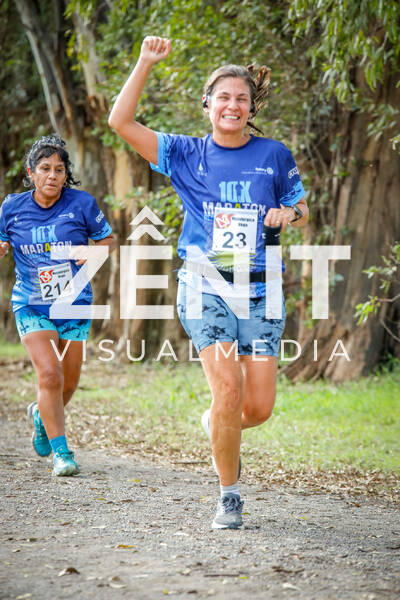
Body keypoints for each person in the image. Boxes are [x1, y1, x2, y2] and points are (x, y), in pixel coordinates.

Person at [108, 36, 309, 529]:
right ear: (207, 104)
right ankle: (229, 496)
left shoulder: (274, 154)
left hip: (262, 290)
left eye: (241, 98)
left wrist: (290, 214)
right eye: (223, 97)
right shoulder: (184, 153)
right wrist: (145, 62)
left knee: (257, 408)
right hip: (205, 286)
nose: (232, 105)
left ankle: (217, 422)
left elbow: (301, 206)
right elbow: (120, 122)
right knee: (229, 388)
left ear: (251, 107)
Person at [0, 135, 115, 476]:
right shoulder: (12, 208)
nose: (52, 175)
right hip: (31, 303)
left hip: (74, 303)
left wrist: (92, 251)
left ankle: (41, 414)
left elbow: (108, 241)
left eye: (59, 169)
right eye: (45, 168)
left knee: (68, 382)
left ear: (66, 175)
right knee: (50, 374)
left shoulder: (82, 203)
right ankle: (61, 453)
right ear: (31, 172)